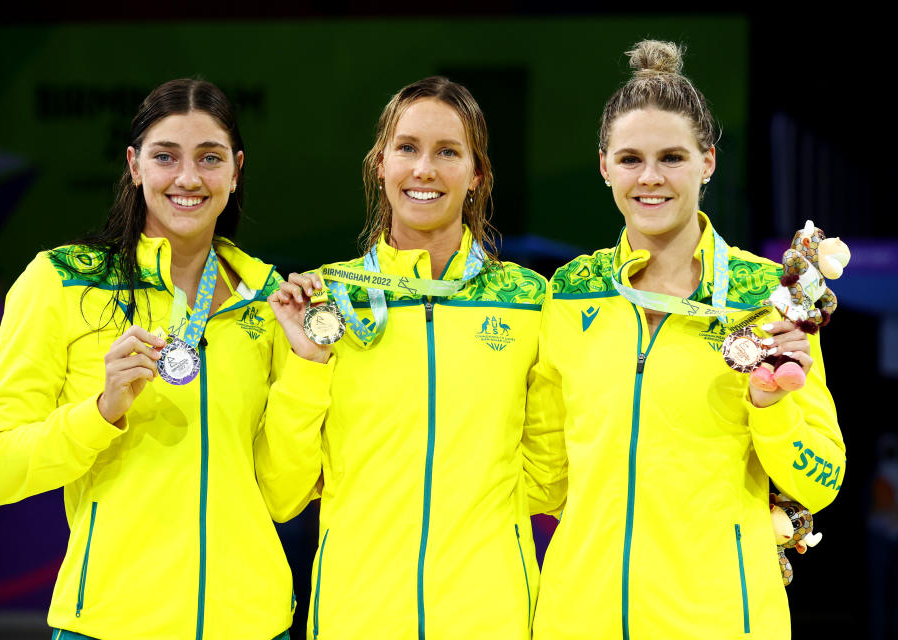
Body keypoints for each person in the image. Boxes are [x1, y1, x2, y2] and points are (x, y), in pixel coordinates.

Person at [0, 78, 319, 639]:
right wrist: (101, 412)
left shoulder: (269, 301)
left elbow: (283, 496)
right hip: (111, 624)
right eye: (166, 157)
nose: (188, 178)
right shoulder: (60, 283)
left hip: (254, 625)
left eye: (210, 158)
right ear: (134, 166)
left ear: (236, 171)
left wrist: (308, 367)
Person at [527, 41, 846, 639]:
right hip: (579, 620)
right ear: (603, 167)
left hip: (722, 622)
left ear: (708, 162)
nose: (650, 178)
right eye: (630, 159)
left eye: (672, 157)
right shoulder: (571, 292)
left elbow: (820, 481)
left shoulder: (766, 296)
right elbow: (542, 471)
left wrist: (771, 408)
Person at [262, 76, 553, 639]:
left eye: (448, 152)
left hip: (492, 617)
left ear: (477, 174)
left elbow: (550, 470)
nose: (425, 169)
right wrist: (307, 364)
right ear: (380, 165)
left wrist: (483, 516)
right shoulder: (323, 301)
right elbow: (281, 490)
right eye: (407, 147)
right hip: (357, 616)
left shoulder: (527, 301)